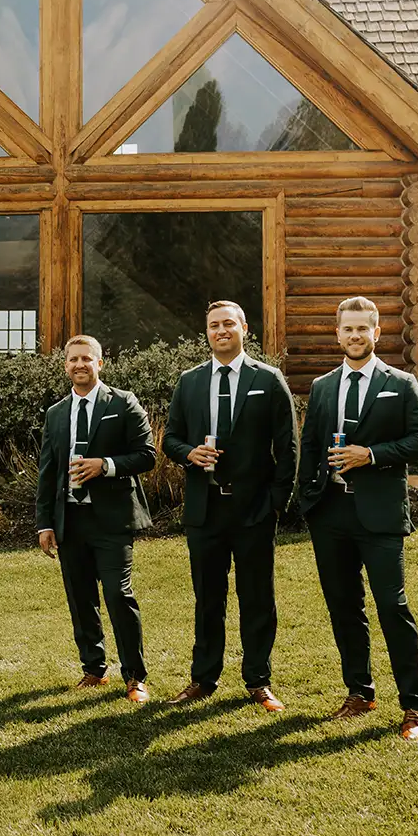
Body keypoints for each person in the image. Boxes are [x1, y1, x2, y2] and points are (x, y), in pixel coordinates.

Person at [297, 296, 418, 739]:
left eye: (363, 329)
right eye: (347, 328)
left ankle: (413, 707)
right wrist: (308, 502)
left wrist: (371, 454)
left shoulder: (402, 383)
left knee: (392, 606)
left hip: (379, 515)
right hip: (331, 514)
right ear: (337, 333)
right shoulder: (322, 386)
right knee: (344, 607)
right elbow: (312, 447)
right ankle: (360, 691)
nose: (355, 336)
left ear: (377, 334)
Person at [160, 301, 296, 711]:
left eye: (228, 324)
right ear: (207, 333)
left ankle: (258, 680)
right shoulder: (190, 381)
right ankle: (203, 678)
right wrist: (189, 454)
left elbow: (288, 447)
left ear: (243, 328)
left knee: (256, 596)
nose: (221, 331)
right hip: (205, 510)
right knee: (208, 597)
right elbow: (171, 439)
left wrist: (276, 502)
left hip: (254, 509)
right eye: (214, 325)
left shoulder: (269, 380)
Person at [35, 336, 157, 702]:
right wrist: (45, 523)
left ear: (100, 363)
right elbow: (48, 472)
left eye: (86, 359)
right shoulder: (56, 413)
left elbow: (147, 455)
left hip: (112, 520)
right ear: (65, 366)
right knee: (80, 597)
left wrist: (106, 466)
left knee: (119, 595)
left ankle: (134, 676)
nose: (79, 365)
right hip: (70, 520)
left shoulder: (122, 403)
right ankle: (94, 668)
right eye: (73, 360)